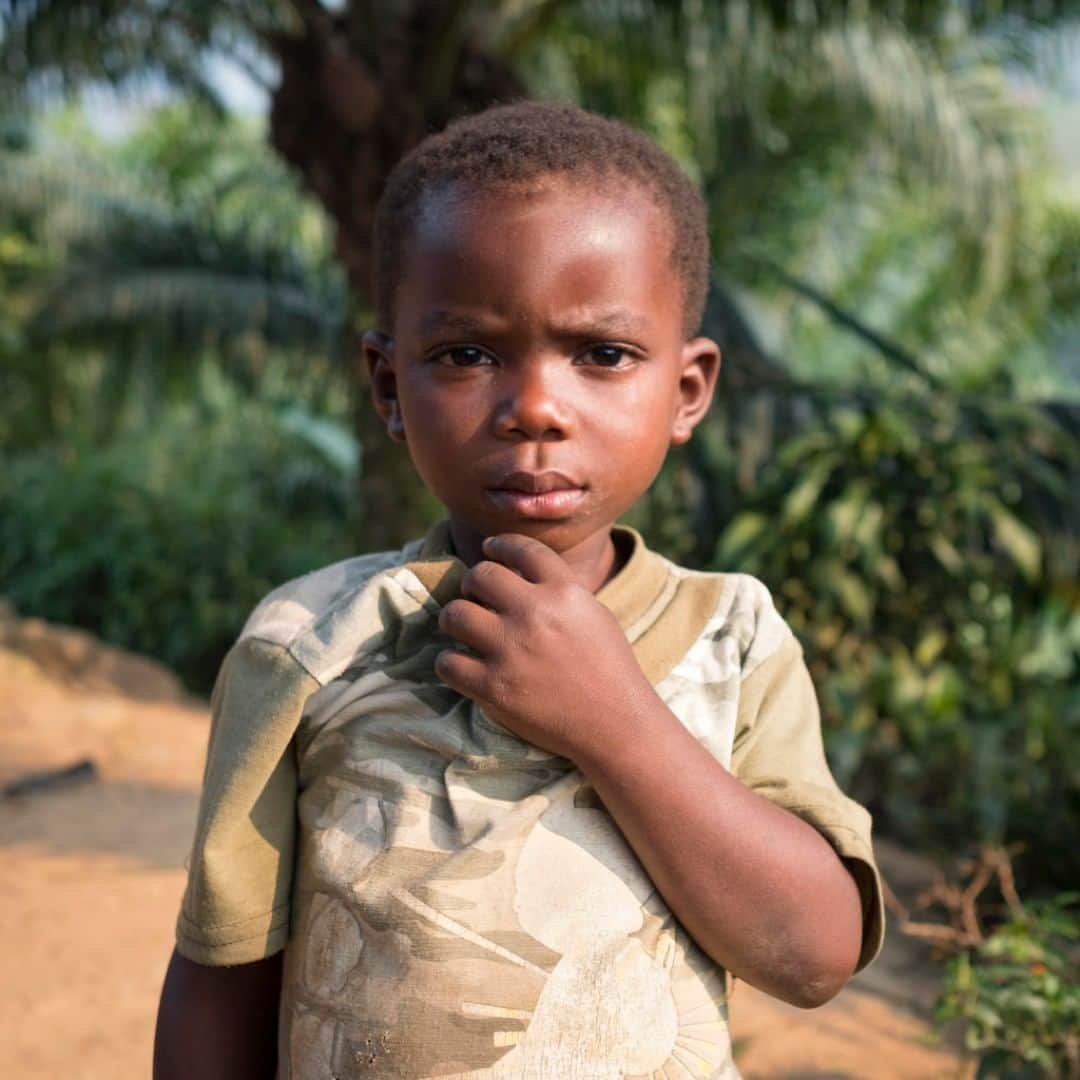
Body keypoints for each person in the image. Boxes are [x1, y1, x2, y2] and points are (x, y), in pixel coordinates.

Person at [154, 101, 884, 1080]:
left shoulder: (733, 641)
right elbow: (223, 975)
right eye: (468, 354)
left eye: (603, 354)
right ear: (386, 385)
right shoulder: (307, 646)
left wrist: (614, 720)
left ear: (688, 390)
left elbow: (812, 954)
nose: (536, 405)